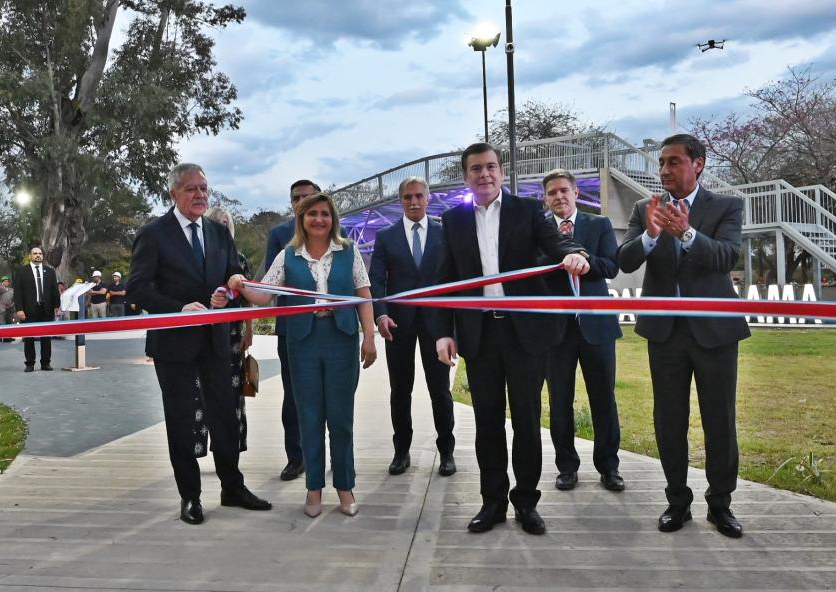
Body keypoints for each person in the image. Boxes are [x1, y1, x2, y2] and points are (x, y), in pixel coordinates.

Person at [431, 142, 590, 536]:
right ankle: (492, 503)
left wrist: (575, 254)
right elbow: (444, 281)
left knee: (526, 420)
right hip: (480, 334)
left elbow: (558, 244)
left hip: (524, 335)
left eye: (490, 168)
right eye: (475, 169)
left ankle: (526, 503)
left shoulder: (527, 211)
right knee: (487, 424)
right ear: (466, 176)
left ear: (501, 172)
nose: (483, 175)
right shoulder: (453, 221)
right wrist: (442, 332)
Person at [617, 133, 750, 539]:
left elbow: (728, 256)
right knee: (669, 421)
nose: (663, 171)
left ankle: (721, 506)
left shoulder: (726, 206)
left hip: (715, 333)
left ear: (699, 164)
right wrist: (652, 234)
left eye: (673, 162)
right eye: (661, 163)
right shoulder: (645, 209)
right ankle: (677, 502)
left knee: (720, 421)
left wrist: (688, 235)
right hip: (665, 334)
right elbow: (624, 260)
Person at [129, 162, 271, 525]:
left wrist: (227, 290)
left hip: (215, 341)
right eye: (191, 189)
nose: (200, 195)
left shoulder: (218, 233)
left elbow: (227, 277)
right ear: (174, 193)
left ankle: (232, 487)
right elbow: (138, 288)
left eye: (204, 189)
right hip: (173, 345)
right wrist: (178, 308)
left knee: (224, 414)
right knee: (180, 420)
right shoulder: (154, 234)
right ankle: (190, 497)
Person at [231, 192, 376, 518]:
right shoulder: (287, 255)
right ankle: (313, 488)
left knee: (340, 419)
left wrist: (369, 337)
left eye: (325, 214)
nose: (319, 220)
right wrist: (240, 284)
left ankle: (345, 486)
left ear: (332, 219)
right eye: (313, 214)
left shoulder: (348, 252)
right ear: (302, 219)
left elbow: (363, 294)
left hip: (341, 339)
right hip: (303, 343)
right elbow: (265, 295)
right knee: (309, 417)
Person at [539, 169, 625, 493]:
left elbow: (612, 266)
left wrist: (587, 264)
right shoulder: (541, 231)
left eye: (564, 190)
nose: (559, 197)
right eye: (552, 193)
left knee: (604, 399)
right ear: (545, 198)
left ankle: (609, 467)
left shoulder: (599, 225)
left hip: (597, 327)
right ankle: (566, 468)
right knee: (560, 401)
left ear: (575, 193)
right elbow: (535, 272)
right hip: (556, 332)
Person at [368, 176, 456, 477]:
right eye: (408, 197)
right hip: (398, 324)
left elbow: (454, 279)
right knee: (400, 390)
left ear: (428, 198)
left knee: (440, 391)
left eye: (419, 195)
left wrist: (452, 323)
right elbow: (376, 280)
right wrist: (381, 315)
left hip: (436, 325)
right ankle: (401, 451)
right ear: (400, 200)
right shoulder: (386, 237)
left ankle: (447, 452)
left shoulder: (446, 234)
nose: (414, 201)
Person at [263, 178, 323, 482]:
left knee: (328, 395)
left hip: (330, 329)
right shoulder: (279, 236)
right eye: (295, 198)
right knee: (294, 395)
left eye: (307, 197)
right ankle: (295, 457)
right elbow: (270, 284)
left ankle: (326, 453)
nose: (301, 202)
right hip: (292, 328)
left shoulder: (334, 231)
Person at [207, 207, 254, 447]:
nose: (221, 227)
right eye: (216, 222)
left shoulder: (240, 260)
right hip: (206, 329)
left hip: (233, 331)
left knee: (235, 386)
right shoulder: (202, 256)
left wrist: (249, 329)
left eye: (225, 223)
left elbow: (248, 299)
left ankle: (233, 443)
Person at [13, 246, 61, 372]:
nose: (38, 255)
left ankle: (46, 363)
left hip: (46, 309)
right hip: (28, 310)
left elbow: (54, 291)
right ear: (30, 256)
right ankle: (30, 363)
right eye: (35, 253)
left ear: (43, 256)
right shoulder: (21, 271)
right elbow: (17, 292)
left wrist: (57, 306)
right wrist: (19, 309)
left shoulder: (50, 271)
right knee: (29, 338)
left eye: (40, 253)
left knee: (46, 338)